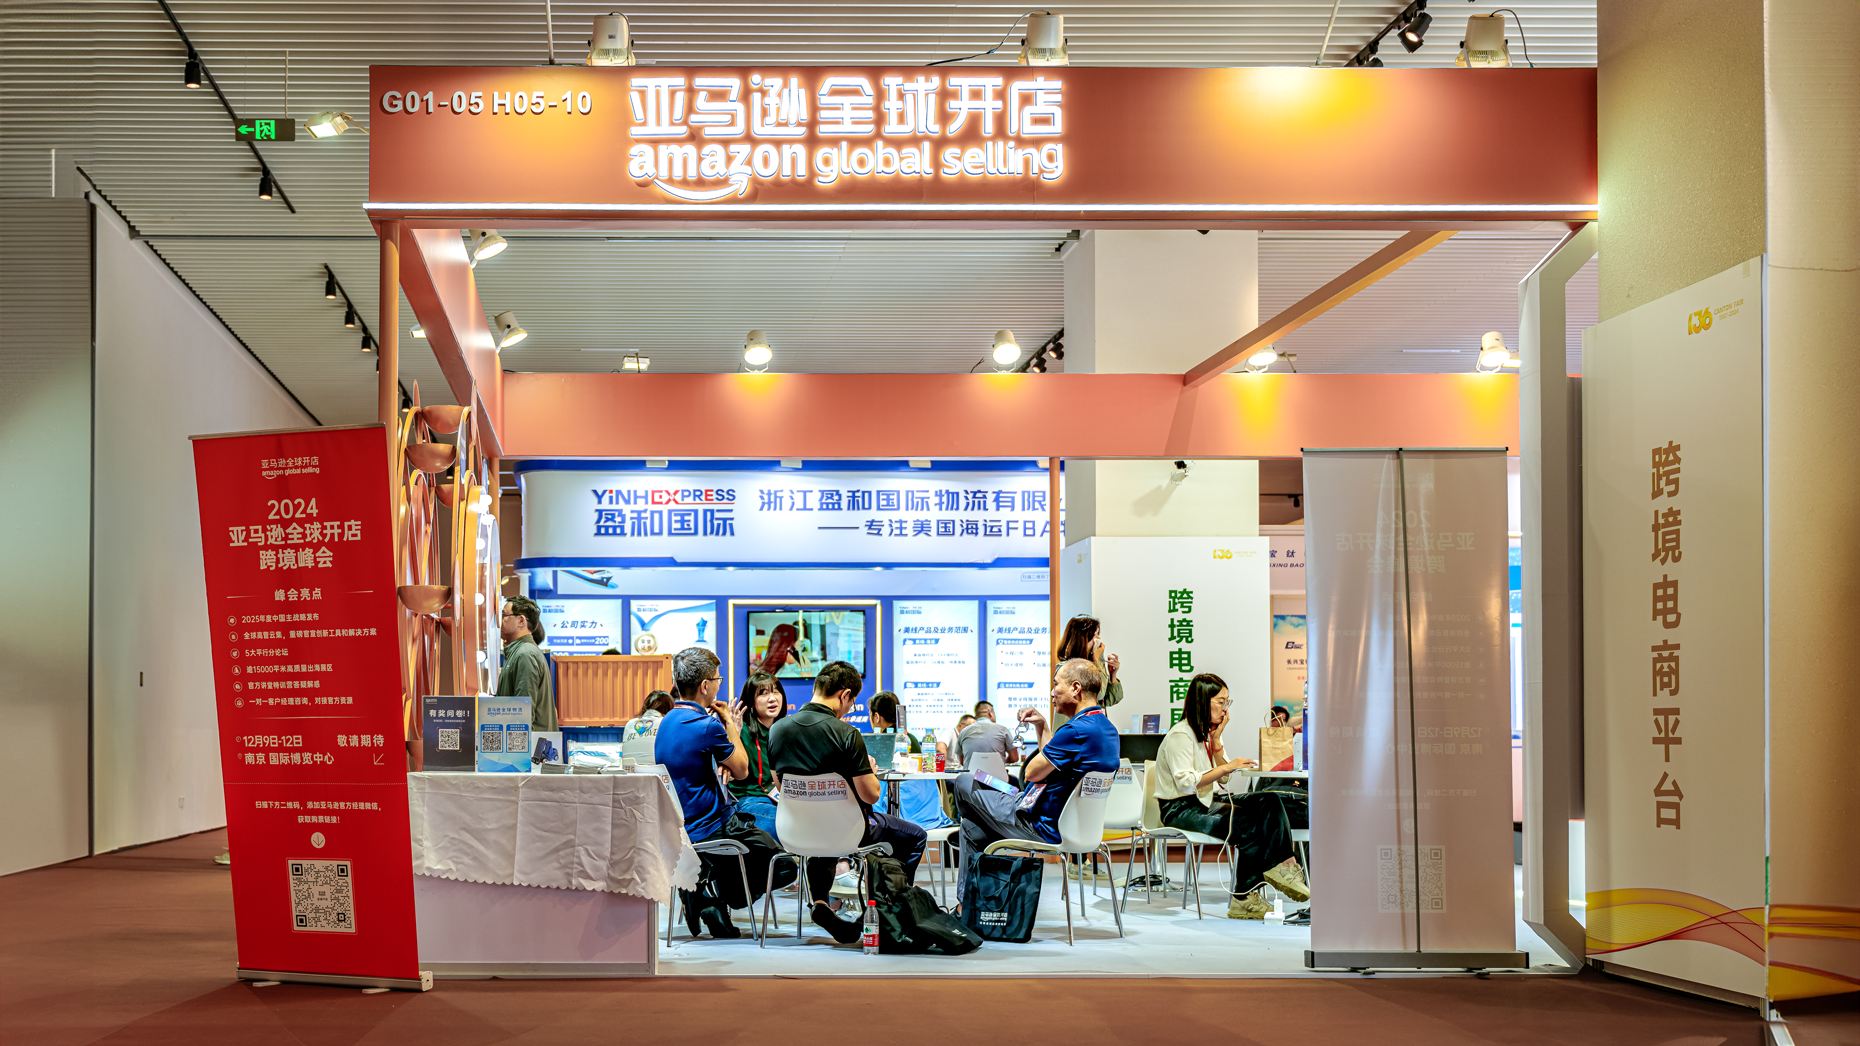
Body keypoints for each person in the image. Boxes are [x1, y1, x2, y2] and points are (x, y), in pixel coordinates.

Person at [767, 660, 927, 944]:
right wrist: (870, 771)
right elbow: (871, 795)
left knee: (823, 839)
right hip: (849, 830)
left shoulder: (777, 730)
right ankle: (889, 912)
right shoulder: (846, 733)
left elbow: (781, 785)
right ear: (845, 695)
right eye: (852, 703)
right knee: (915, 836)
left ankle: (819, 903)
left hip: (796, 830)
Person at [950, 659, 1120, 898]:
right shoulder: (1106, 728)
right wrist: (1041, 725)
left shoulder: (1075, 731)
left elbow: (1031, 772)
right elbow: (1051, 762)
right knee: (971, 828)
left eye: (1056, 684)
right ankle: (966, 905)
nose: (1052, 692)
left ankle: (974, 900)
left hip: (1038, 824)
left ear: (1075, 688)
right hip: (1073, 827)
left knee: (965, 781)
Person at [654, 647, 785, 939]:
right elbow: (742, 770)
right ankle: (711, 895)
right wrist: (731, 725)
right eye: (717, 679)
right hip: (714, 825)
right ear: (705, 686)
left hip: (681, 826)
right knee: (784, 864)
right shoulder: (708, 726)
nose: (719, 685)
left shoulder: (668, 721)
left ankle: (705, 893)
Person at [1154, 673, 1308, 919]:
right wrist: (1228, 766)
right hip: (1181, 808)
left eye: (1228, 702)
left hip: (1208, 801)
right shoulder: (1181, 735)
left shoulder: (1208, 733)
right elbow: (1186, 784)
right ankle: (1245, 897)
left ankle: (1285, 864)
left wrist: (1216, 741)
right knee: (1249, 823)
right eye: (1221, 702)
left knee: (1269, 799)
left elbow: (1223, 780)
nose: (1226, 708)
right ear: (1202, 702)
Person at [726, 671, 786, 839]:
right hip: (749, 799)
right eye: (763, 693)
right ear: (751, 702)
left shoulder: (784, 731)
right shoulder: (742, 731)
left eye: (776, 692)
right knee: (787, 825)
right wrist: (733, 733)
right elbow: (727, 776)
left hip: (781, 799)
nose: (772, 698)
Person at [497, 597, 556, 730]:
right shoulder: (520, 652)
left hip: (529, 741)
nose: (499, 621)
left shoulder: (525, 654)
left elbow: (522, 714)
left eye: (504, 615)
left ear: (521, 621)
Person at [1053, 616, 1124, 725]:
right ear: (1081, 639)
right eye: (1095, 635)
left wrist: (1112, 675)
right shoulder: (1067, 668)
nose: (1098, 639)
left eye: (1098, 634)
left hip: (1092, 726)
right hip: (1075, 729)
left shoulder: (1093, 665)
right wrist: (1097, 662)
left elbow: (1110, 699)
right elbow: (1098, 694)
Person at [954, 700, 1018, 767]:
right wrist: (1001, 762)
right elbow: (1014, 758)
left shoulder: (963, 732)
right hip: (996, 774)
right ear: (990, 713)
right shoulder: (1003, 730)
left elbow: (962, 762)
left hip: (972, 774)